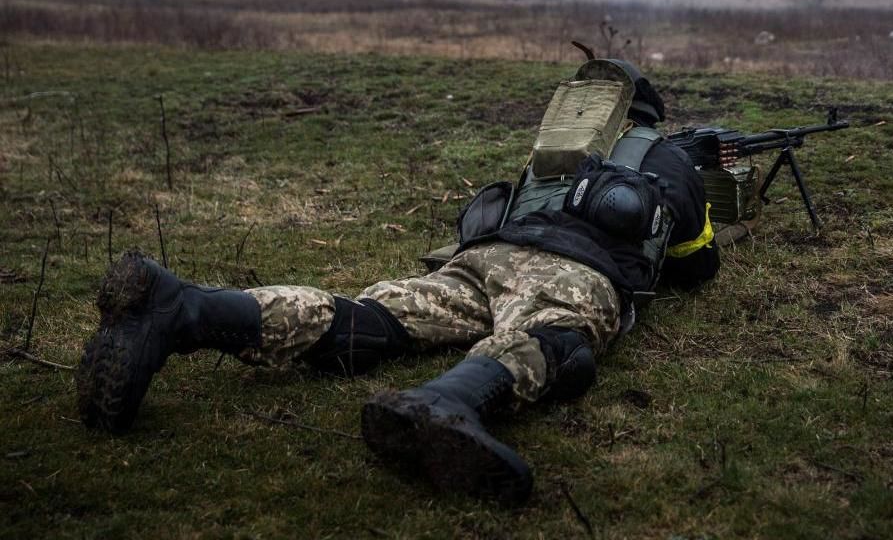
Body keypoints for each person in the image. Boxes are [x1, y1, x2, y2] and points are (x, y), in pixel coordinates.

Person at [76, 57, 719, 504]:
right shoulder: (665, 158)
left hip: (481, 260)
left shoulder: (551, 157)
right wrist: (696, 178)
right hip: (575, 276)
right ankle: (450, 402)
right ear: (650, 115)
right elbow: (695, 264)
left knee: (373, 322)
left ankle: (181, 307)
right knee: (555, 341)